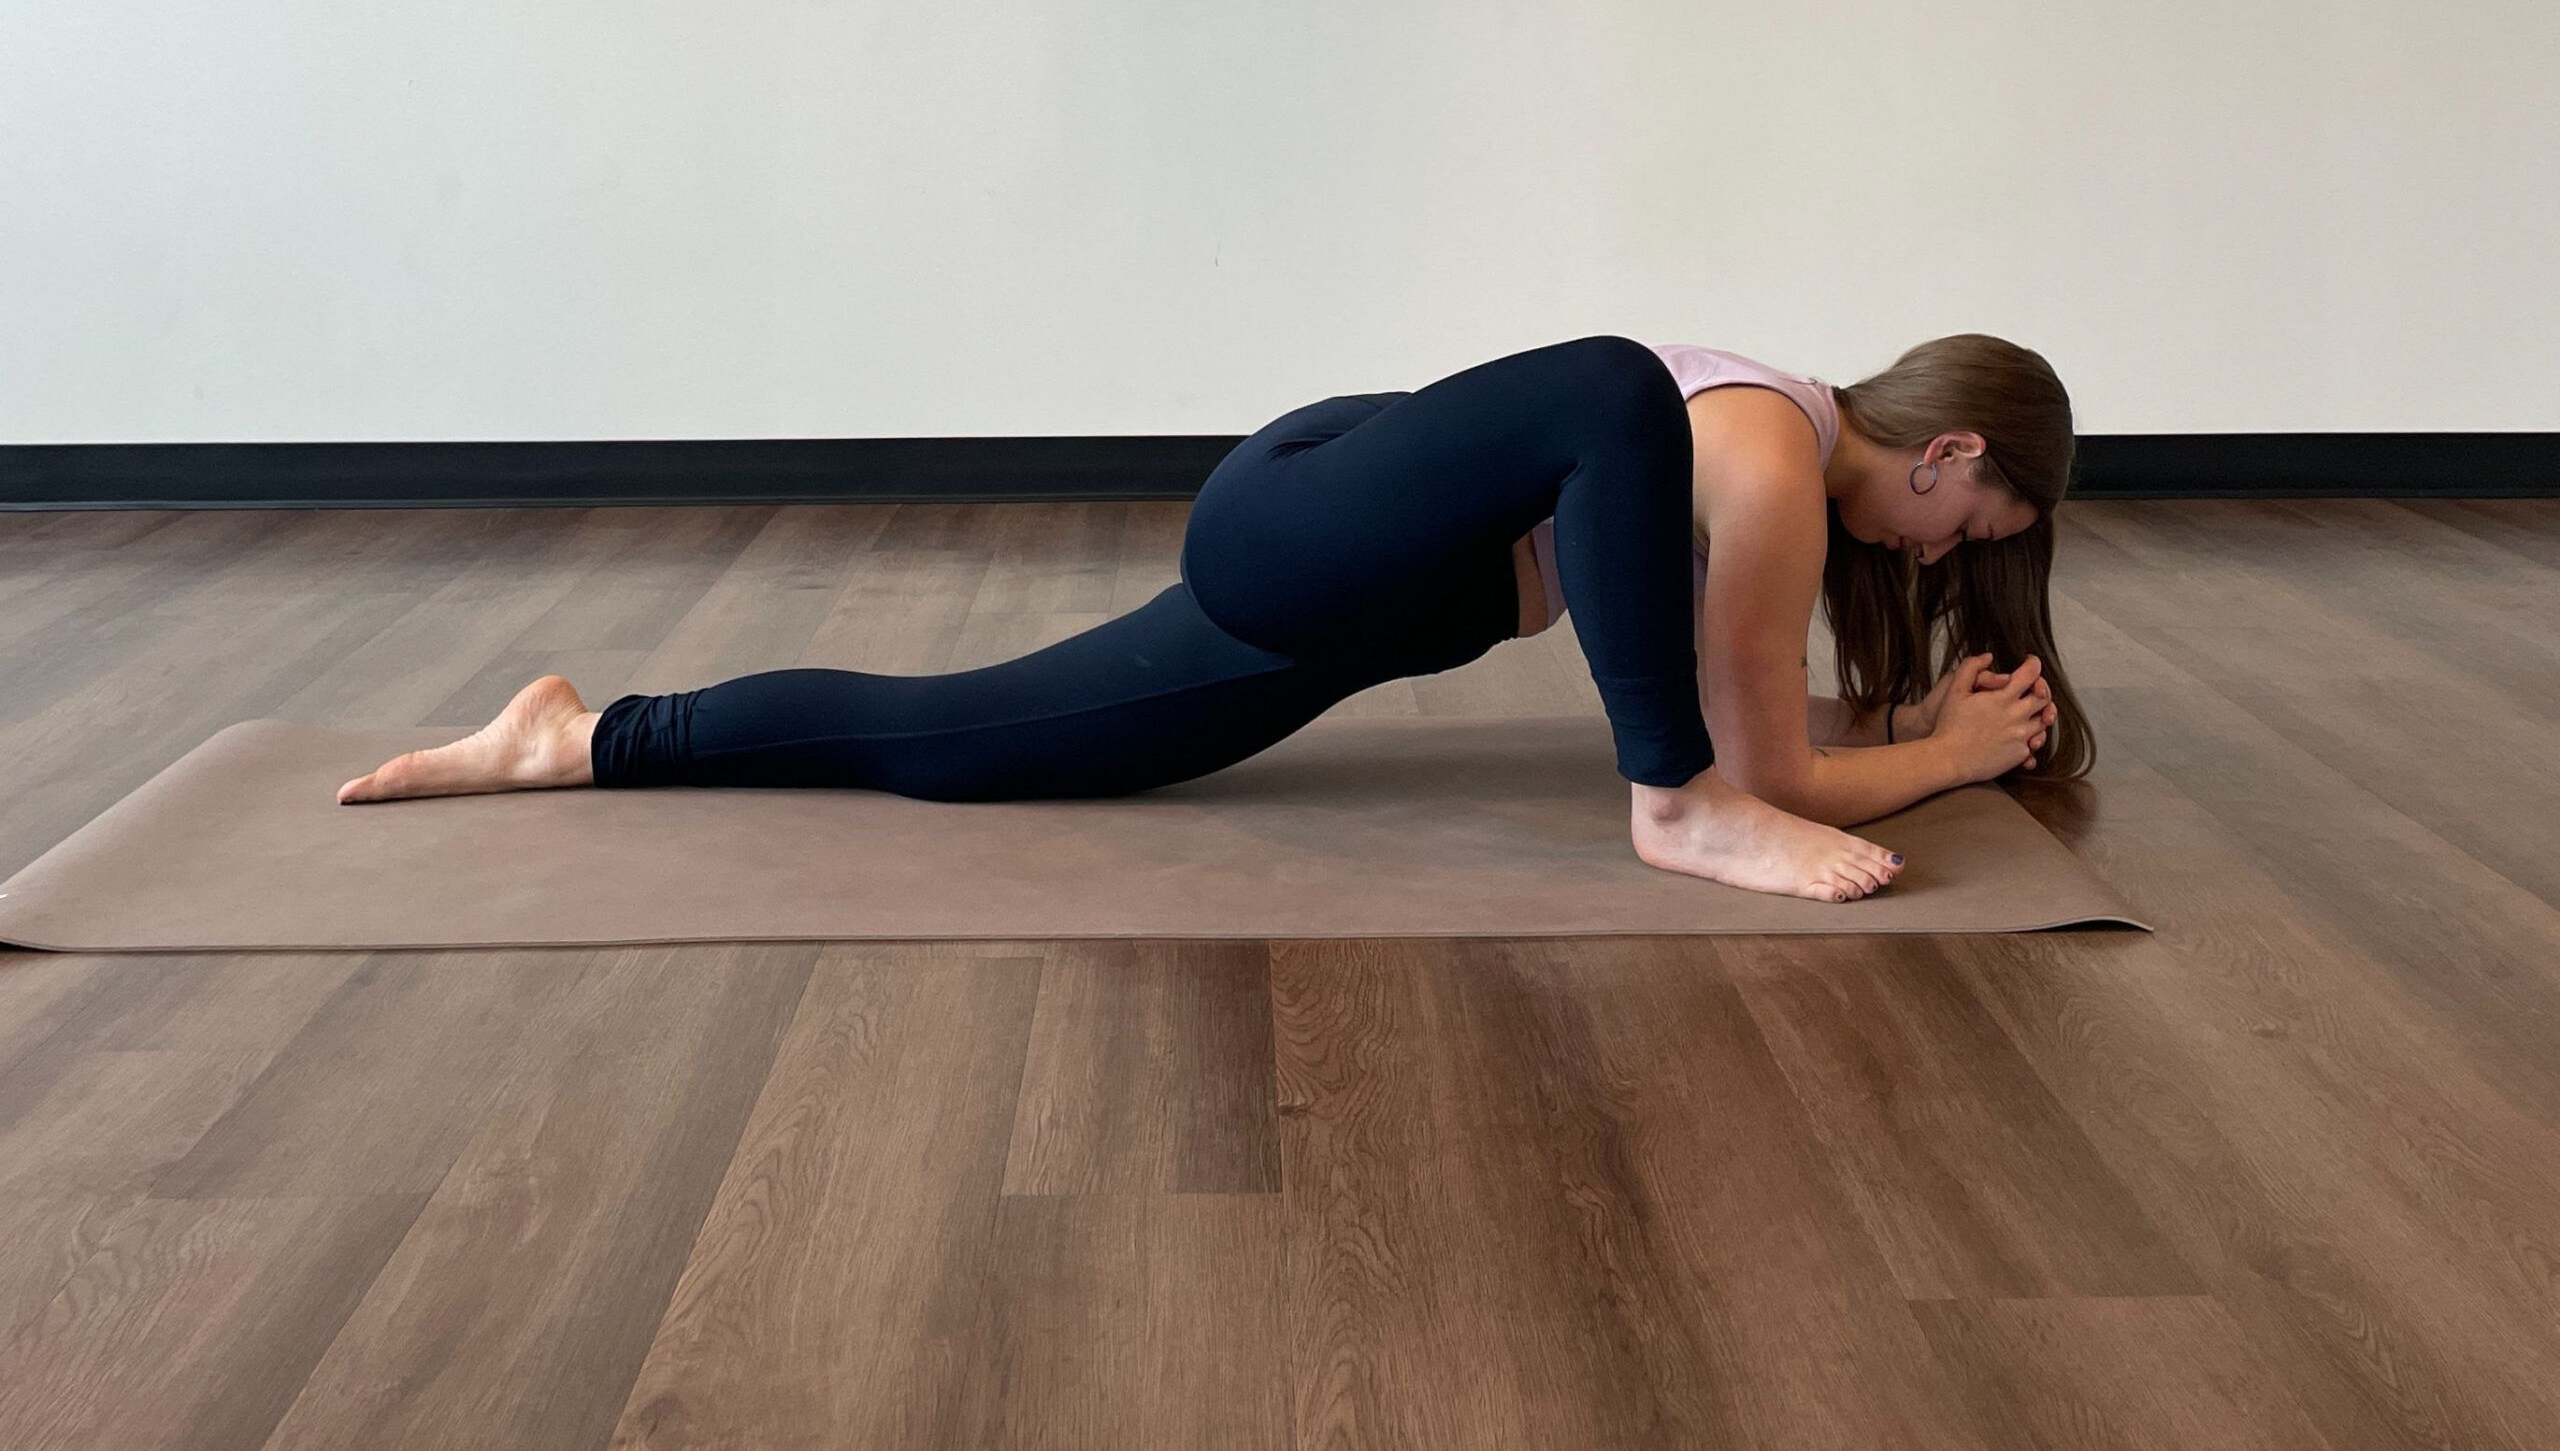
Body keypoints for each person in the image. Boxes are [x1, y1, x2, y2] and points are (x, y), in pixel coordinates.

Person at [338, 332, 2078, 904]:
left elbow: (1764, 715)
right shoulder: (1773, 455)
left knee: (964, 742)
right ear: (1950, 453)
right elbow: (1764, 770)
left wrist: (1911, 735)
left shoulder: (1776, 487)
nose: (1935, 564)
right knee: (1611, 384)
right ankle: (1658, 811)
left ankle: (577, 735)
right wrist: (1940, 761)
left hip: (1322, 600)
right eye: (1963, 532)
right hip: (1315, 524)